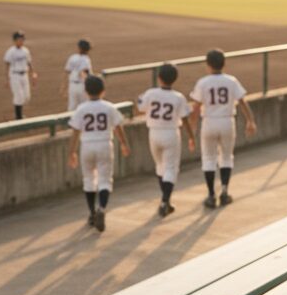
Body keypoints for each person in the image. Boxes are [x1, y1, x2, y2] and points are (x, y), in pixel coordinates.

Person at [189, 49, 257, 209]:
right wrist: (250, 120)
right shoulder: (231, 81)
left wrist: (192, 128)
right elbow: (242, 102)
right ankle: (225, 191)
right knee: (226, 157)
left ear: (208, 65)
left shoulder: (203, 82)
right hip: (227, 121)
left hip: (209, 122)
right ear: (224, 64)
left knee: (209, 158)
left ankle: (211, 194)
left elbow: (196, 107)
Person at [68, 75, 131, 233]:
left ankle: (92, 213)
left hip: (87, 145)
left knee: (88, 179)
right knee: (105, 180)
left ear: (86, 91)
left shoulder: (81, 109)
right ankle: (101, 209)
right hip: (104, 144)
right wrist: (124, 144)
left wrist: (72, 152)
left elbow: (75, 132)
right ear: (103, 90)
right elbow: (118, 127)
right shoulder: (109, 107)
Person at [135, 63, 197, 217]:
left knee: (160, 166)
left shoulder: (151, 93)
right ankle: (165, 200)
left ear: (159, 77)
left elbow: (139, 106)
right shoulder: (178, 97)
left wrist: (139, 98)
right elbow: (185, 119)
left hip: (154, 133)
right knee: (170, 168)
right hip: (171, 133)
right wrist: (191, 136)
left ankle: (165, 201)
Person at [3, 30, 39, 120]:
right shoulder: (11, 52)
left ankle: (19, 115)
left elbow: (29, 62)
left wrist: (33, 73)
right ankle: (18, 117)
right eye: (19, 39)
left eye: (22, 39)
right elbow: (7, 65)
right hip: (15, 75)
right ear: (15, 40)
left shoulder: (25, 51)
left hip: (24, 75)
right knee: (19, 96)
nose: (21, 41)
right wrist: (7, 79)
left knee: (27, 97)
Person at [63, 40, 94, 111]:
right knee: (85, 107)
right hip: (82, 86)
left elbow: (67, 72)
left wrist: (64, 87)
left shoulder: (72, 57)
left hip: (72, 86)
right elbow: (83, 73)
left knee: (72, 107)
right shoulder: (86, 59)